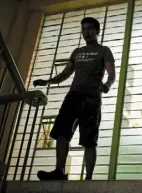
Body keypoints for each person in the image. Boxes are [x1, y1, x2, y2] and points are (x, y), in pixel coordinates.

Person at [33, 17, 116, 181]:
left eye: (91, 28)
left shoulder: (104, 50)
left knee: (89, 139)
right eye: (84, 29)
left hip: (91, 98)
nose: (87, 32)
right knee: (62, 133)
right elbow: (65, 74)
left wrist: (106, 85)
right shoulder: (77, 52)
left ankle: (88, 179)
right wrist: (48, 81)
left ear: (97, 31)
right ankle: (59, 171)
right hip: (73, 96)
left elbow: (112, 74)